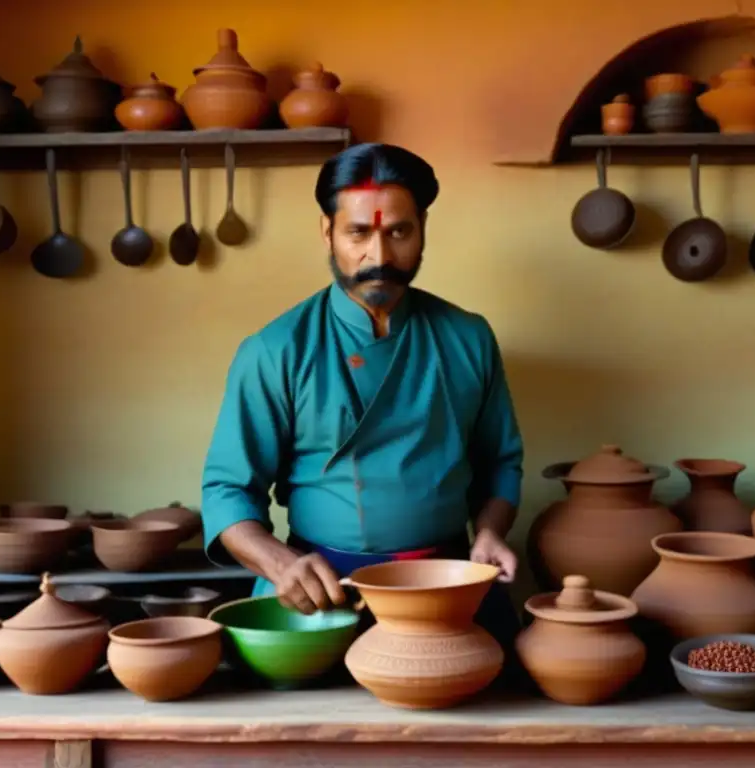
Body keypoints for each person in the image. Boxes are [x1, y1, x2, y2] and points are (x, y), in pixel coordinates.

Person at [200, 142, 525, 653]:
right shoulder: (275, 349)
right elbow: (226, 491)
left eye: (399, 232)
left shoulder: (470, 338)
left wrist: (489, 531)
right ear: (327, 233)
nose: (379, 256)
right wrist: (279, 563)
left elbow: (501, 462)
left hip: (449, 590)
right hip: (323, 596)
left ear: (422, 231)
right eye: (359, 232)